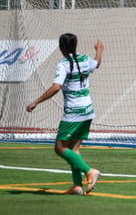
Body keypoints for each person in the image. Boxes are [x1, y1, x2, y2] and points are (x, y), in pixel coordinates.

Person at [27, 33, 104, 195]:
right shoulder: (84, 59)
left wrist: (36, 102)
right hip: (88, 111)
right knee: (73, 150)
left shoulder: (63, 64)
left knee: (60, 148)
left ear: (61, 47)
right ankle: (77, 186)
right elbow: (96, 64)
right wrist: (99, 50)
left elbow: (56, 87)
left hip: (73, 113)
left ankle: (89, 171)